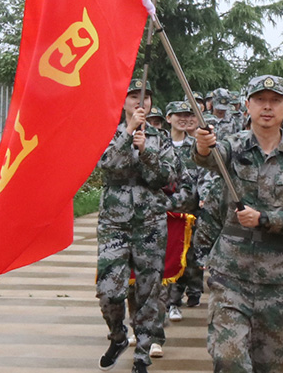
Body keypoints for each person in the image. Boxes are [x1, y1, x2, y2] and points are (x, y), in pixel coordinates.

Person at [192, 75, 283, 373]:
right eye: (260, 100)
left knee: (274, 365)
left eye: (275, 101)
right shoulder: (232, 147)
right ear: (247, 105)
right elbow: (207, 157)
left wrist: (263, 218)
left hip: (279, 279)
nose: (267, 107)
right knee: (228, 359)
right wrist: (202, 145)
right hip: (230, 274)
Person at [96, 80, 178, 373]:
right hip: (114, 223)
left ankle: (142, 354)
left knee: (148, 293)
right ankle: (118, 336)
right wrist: (128, 132)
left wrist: (145, 153)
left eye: (145, 97)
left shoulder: (160, 139)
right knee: (109, 291)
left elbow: (166, 177)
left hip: (150, 224)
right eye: (133, 96)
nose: (140, 102)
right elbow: (106, 164)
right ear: (124, 102)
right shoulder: (109, 132)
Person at [164, 101, 204, 321]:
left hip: (188, 212)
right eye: (178, 115)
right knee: (163, 256)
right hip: (162, 212)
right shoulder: (159, 144)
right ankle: (165, 302)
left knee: (185, 257)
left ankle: (175, 300)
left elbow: (205, 174)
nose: (183, 119)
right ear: (168, 118)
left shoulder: (196, 146)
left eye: (187, 115)